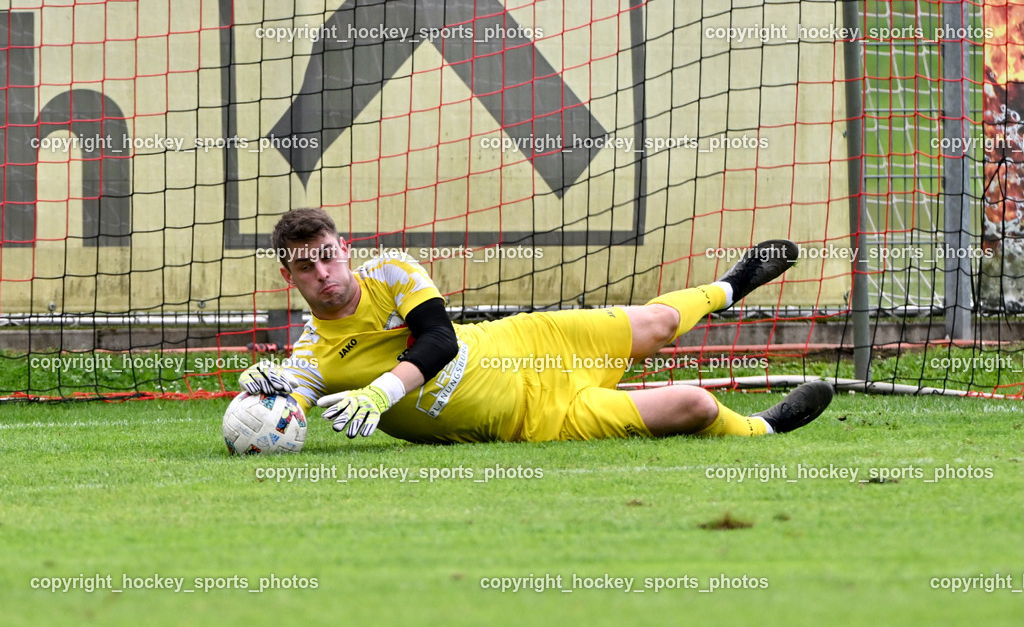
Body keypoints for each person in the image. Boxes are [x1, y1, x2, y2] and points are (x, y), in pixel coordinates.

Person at [239, 207, 833, 444]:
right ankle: (764, 430)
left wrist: (381, 391)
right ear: (289, 277)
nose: (322, 271)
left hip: (528, 342)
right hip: (536, 420)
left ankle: (728, 288)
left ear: (344, 248)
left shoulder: (392, 272)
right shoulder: (312, 356)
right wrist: (262, 392)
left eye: (327, 253)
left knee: (658, 321)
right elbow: (289, 402)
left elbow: (440, 339)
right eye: (305, 264)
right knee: (698, 406)